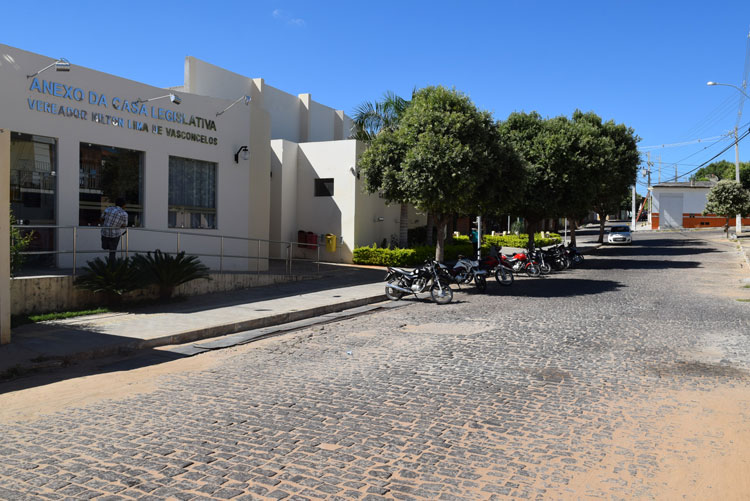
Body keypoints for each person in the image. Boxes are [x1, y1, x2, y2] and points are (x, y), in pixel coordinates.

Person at [100, 198, 128, 262]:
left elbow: (101, 219)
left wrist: (106, 223)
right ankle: (112, 268)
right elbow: (124, 225)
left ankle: (109, 246)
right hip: (115, 235)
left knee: (104, 247)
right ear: (123, 205)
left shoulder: (108, 209)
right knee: (112, 252)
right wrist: (117, 225)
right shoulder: (124, 214)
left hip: (105, 232)